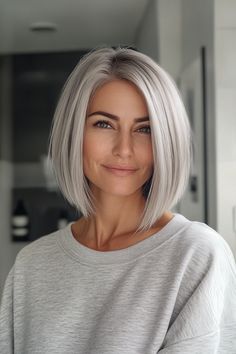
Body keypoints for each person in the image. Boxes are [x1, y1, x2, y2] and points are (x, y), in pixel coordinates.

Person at [0, 47, 236, 354]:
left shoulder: (197, 255)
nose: (124, 148)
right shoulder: (32, 265)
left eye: (145, 129)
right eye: (104, 124)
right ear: (74, 133)